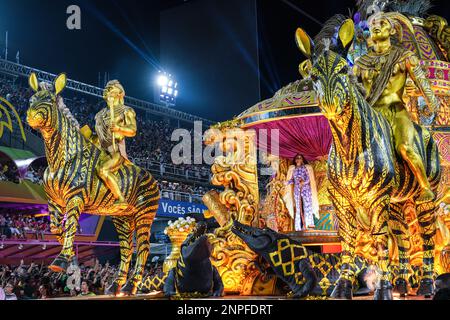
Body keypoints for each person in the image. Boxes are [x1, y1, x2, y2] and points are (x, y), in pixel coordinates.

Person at [353, 11, 440, 203]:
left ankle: (424, 185)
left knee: (404, 148)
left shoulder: (404, 57)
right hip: (371, 116)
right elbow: (352, 92)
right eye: (373, 23)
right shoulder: (360, 64)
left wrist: (433, 103)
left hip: (396, 112)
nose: (376, 25)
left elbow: (423, 84)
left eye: (382, 22)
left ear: (392, 29)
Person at [94, 80, 137, 210]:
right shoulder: (99, 115)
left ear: (120, 94)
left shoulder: (126, 111)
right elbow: (98, 136)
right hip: (100, 150)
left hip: (115, 150)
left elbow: (133, 130)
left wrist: (119, 128)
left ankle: (120, 198)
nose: (109, 95)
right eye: (107, 92)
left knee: (103, 170)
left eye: (112, 92)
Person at [285, 154, 319, 231]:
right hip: (297, 190)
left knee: (307, 206)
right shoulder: (293, 169)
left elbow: (308, 178)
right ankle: (298, 227)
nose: (298, 159)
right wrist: (286, 182)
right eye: (297, 158)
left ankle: (309, 226)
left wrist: (303, 182)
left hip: (306, 190)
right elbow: (293, 180)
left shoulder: (306, 168)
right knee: (298, 208)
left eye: (300, 158)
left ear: (302, 159)